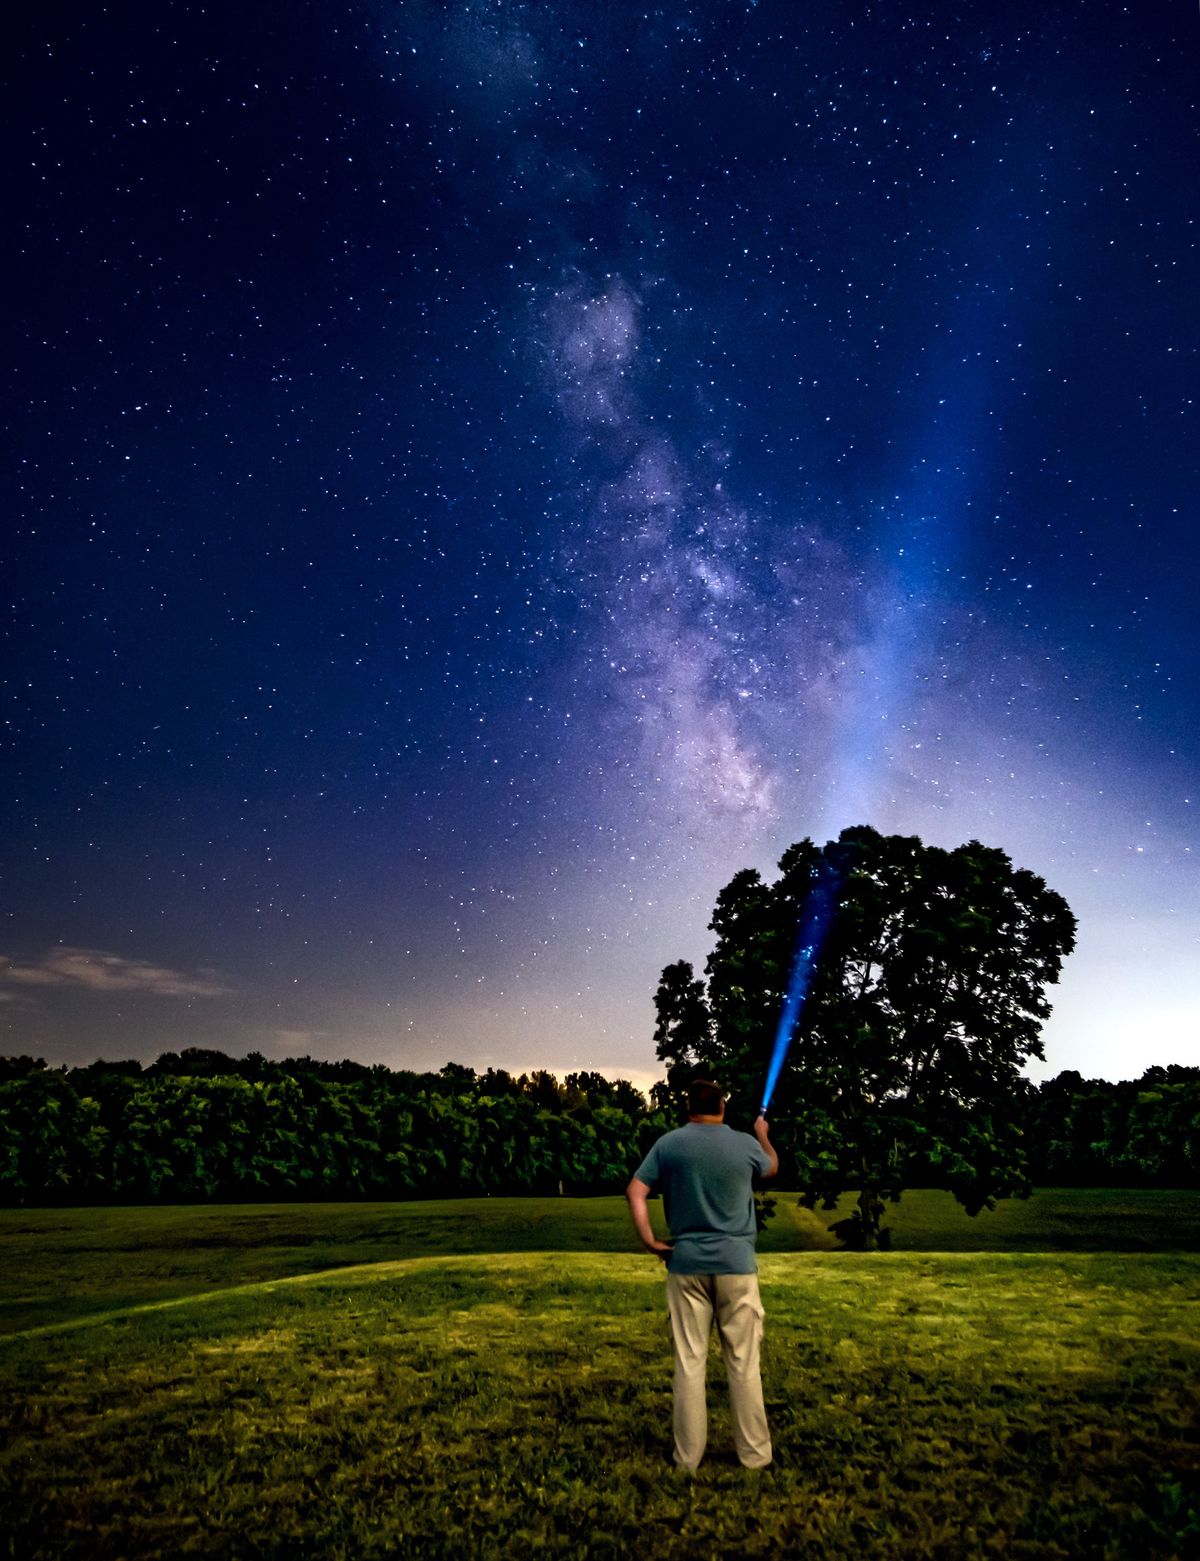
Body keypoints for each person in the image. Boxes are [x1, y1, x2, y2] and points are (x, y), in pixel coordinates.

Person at [626, 1078, 779, 1470]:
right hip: (737, 1267)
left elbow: (636, 1190)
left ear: (689, 1108)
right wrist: (762, 1135)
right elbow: (771, 1168)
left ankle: (687, 1459)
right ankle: (755, 1457)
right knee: (743, 1362)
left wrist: (649, 1241)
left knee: (690, 1363)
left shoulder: (669, 1144)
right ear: (723, 1108)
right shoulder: (745, 1143)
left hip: (686, 1263)